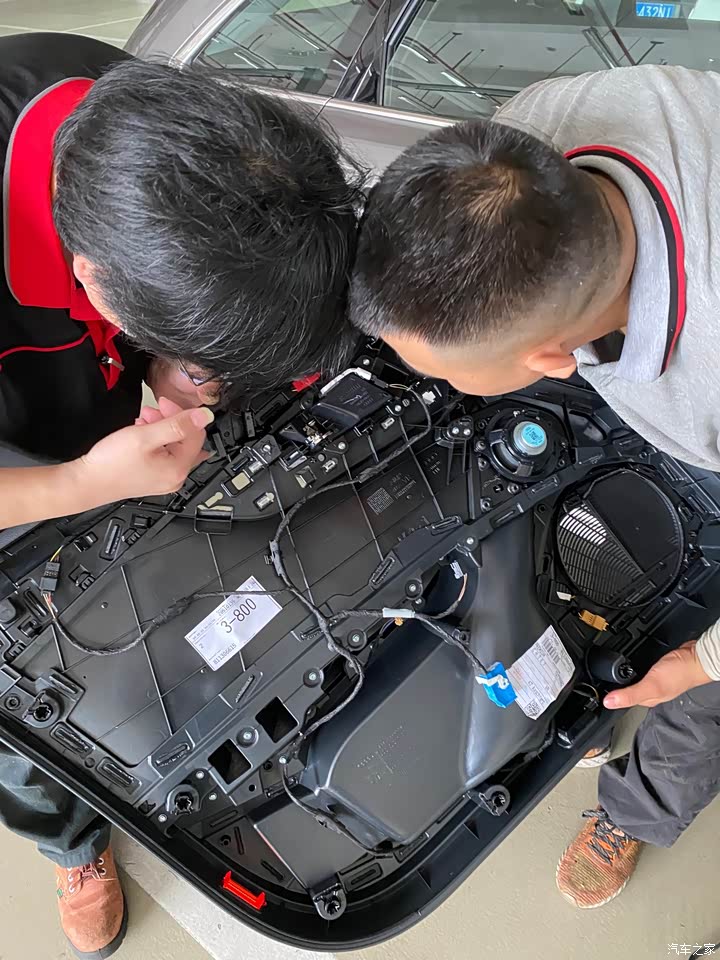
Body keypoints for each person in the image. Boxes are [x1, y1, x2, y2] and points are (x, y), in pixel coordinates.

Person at [0, 31, 362, 957]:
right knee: (24, 686)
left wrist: (187, 375)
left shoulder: (136, 121)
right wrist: (81, 483)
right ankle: (71, 842)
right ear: (94, 280)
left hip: (93, 405)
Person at [349, 64, 720, 911]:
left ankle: (636, 810)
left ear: (554, 359)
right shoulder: (532, 133)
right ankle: (582, 697)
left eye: (447, 372)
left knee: (698, 687)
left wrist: (701, 661)